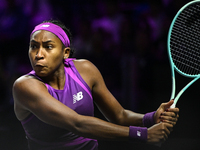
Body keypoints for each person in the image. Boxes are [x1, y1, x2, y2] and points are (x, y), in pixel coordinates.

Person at [12, 19, 179, 150]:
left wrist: (150, 118)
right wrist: (143, 135)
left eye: (48, 47)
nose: (38, 55)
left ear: (65, 53)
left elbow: (119, 115)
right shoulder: (25, 86)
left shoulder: (85, 70)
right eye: (34, 47)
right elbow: (78, 123)